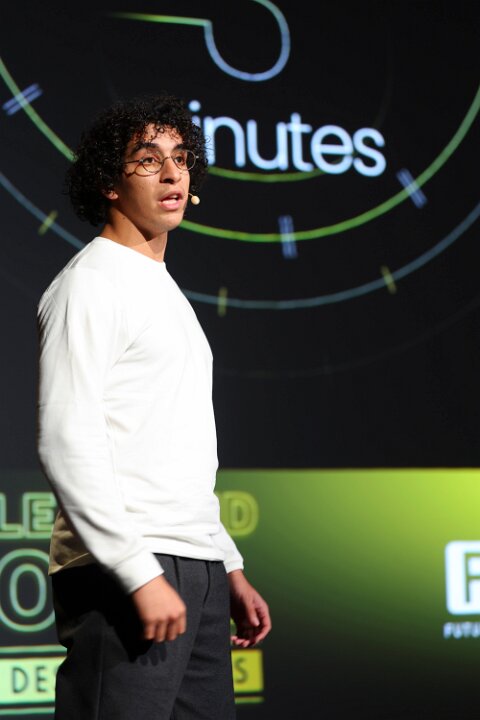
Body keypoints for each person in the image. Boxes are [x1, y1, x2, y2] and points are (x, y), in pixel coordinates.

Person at [37, 94, 271, 720]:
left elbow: (171, 447)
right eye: (148, 160)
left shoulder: (166, 292)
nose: (171, 174)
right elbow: (66, 437)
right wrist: (136, 571)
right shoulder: (89, 283)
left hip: (195, 563)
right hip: (126, 564)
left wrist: (228, 564)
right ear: (109, 183)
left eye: (181, 158)